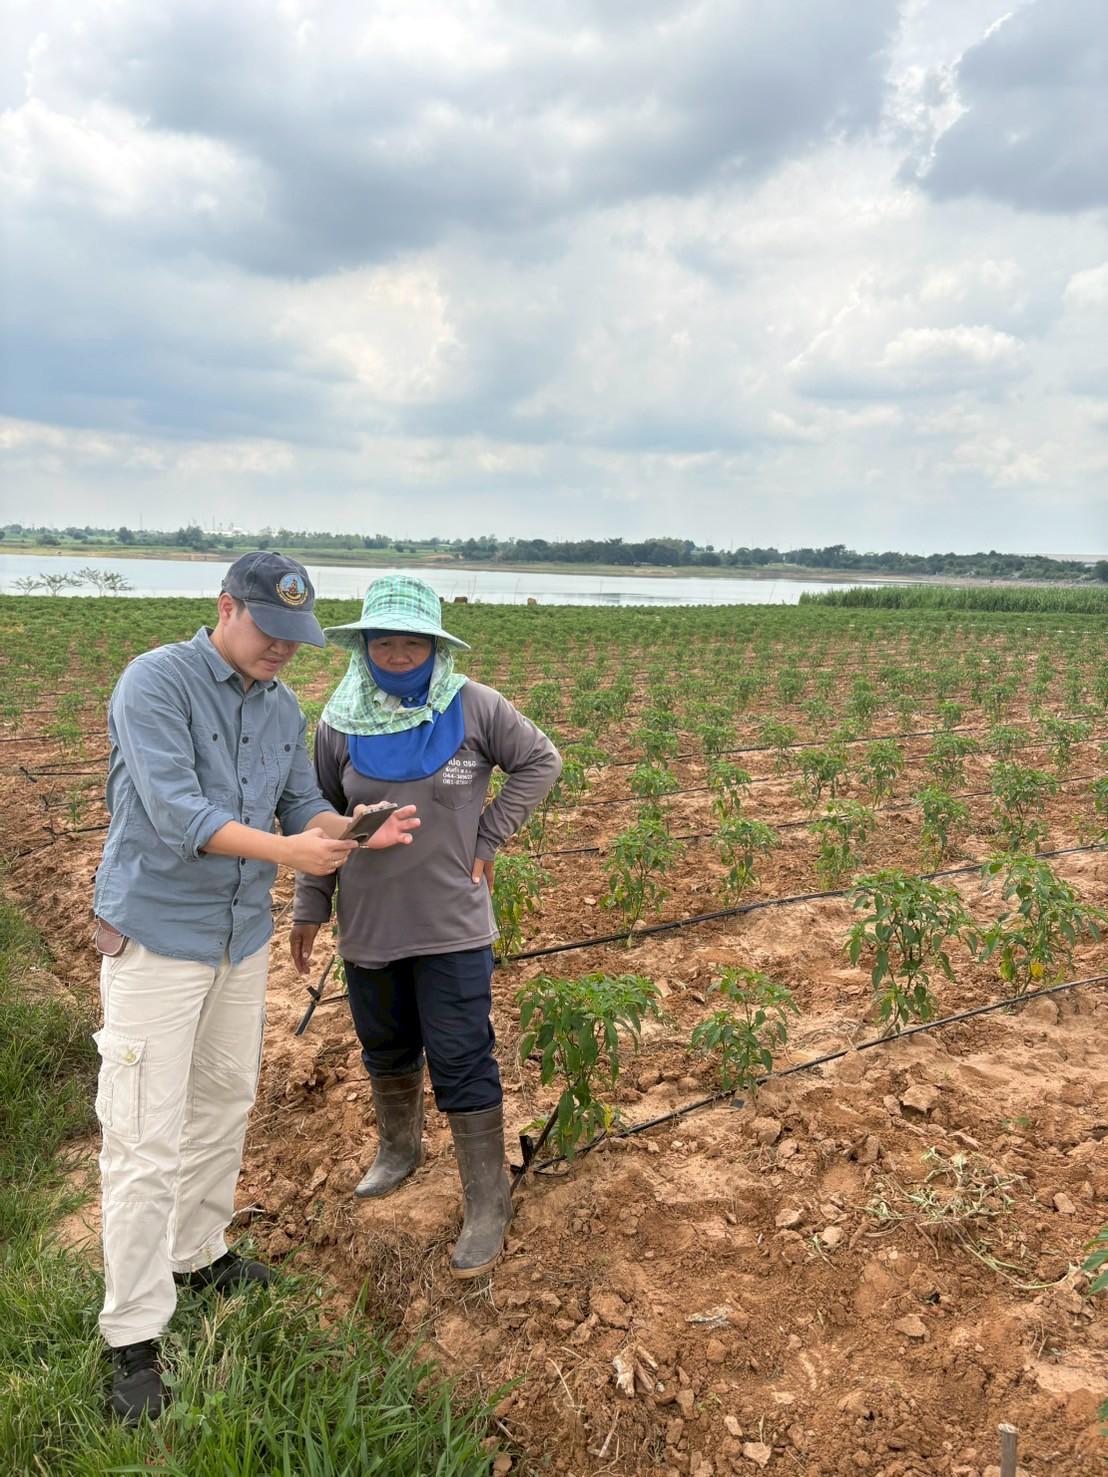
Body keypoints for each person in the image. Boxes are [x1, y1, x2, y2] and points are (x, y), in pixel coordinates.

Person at [91, 552, 419, 1423]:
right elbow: (177, 815)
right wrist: (292, 855)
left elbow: (299, 797)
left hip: (236, 941)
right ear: (225, 607)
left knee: (224, 1101)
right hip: (158, 938)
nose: (283, 650)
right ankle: (131, 1335)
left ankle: (199, 1254)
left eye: (296, 638)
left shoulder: (279, 707)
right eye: (269, 631)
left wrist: (346, 831)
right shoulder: (155, 682)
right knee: (142, 1135)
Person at [289, 574, 560, 1279]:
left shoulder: (473, 705)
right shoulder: (338, 721)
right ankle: (400, 1149)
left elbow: (540, 760)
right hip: (370, 925)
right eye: (386, 640)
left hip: (453, 923)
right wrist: (310, 903)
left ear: (436, 646)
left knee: (463, 1052)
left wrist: (489, 835)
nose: (401, 653)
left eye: (415, 641)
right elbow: (316, 813)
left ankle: (486, 1200)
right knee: (385, 1042)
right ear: (366, 646)